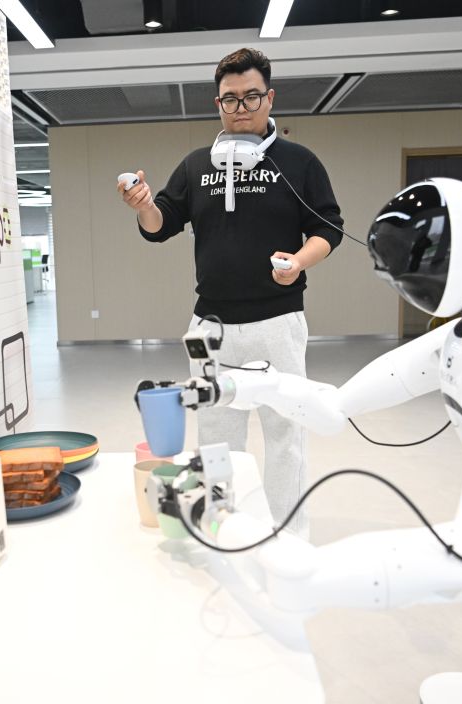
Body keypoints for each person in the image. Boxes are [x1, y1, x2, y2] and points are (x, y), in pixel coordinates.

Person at [117, 47, 344, 536]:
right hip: (211, 327)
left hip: (278, 323)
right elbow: (160, 225)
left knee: (286, 436)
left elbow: (328, 227)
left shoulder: (299, 163)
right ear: (217, 103)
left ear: (270, 98)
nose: (241, 108)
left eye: (251, 97)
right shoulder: (197, 165)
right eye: (230, 99)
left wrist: (299, 262)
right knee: (215, 439)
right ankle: (222, 531)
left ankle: (290, 536)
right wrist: (143, 205)